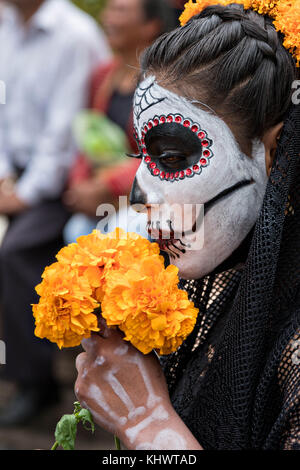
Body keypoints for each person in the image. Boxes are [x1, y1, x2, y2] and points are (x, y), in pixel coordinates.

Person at [74, 1, 300, 450]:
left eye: (173, 157)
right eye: (141, 155)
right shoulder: (214, 286)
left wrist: (148, 422)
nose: (140, 193)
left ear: (274, 152)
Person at [0, 0, 111, 426]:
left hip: (65, 179)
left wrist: (25, 194)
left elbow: (65, 131)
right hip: (17, 173)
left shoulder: (73, 34)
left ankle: (35, 382)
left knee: (17, 250)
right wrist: (6, 177)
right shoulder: (8, 24)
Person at [63, 0, 178, 242]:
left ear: (150, 26)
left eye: (120, 11)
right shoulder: (103, 76)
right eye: (110, 9)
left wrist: (110, 185)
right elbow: (88, 133)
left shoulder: (165, 83)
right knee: (76, 231)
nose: (108, 18)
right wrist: (79, 184)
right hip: (104, 194)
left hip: (147, 194)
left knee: (121, 230)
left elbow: (164, 153)